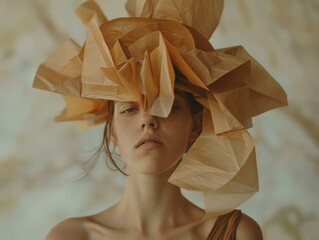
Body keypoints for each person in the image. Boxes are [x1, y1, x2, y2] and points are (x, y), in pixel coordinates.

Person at [33, 0, 287, 239]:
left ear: (195, 125)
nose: (148, 121)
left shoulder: (235, 233)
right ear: (111, 130)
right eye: (130, 109)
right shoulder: (71, 236)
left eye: (167, 106)